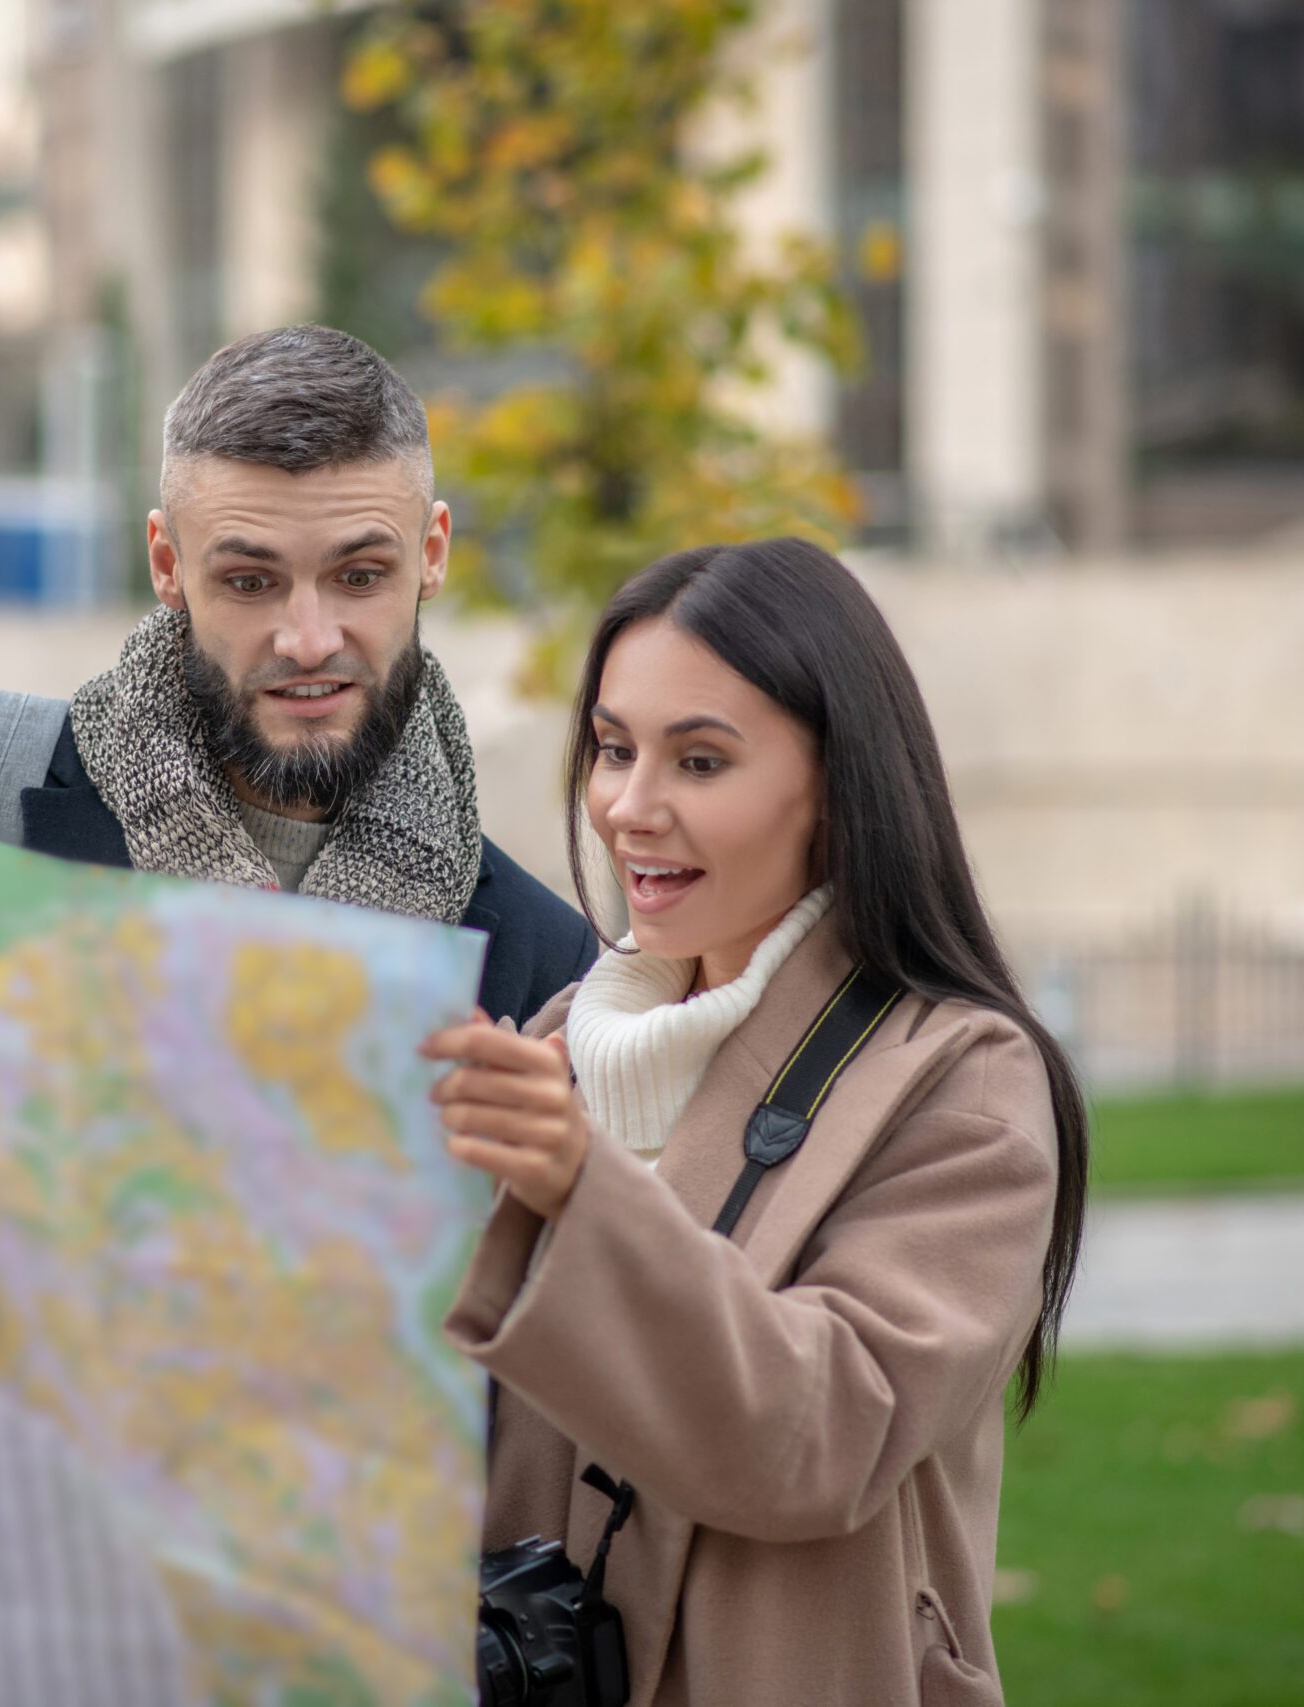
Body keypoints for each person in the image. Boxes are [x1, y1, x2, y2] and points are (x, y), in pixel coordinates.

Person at [0, 324, 598, 1703]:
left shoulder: (533, 953)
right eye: (248, 578)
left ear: (431, 553)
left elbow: (531, 1391)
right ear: (164, 563)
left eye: (359, 574)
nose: (307, 635)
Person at [422, 538, 1089, 1707]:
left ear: (837, 782)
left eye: (700, 760)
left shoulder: (959, 1081)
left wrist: (580, 1188)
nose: (631, 808)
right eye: (614, 750)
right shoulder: (549, 1053)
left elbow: (823, 1433)